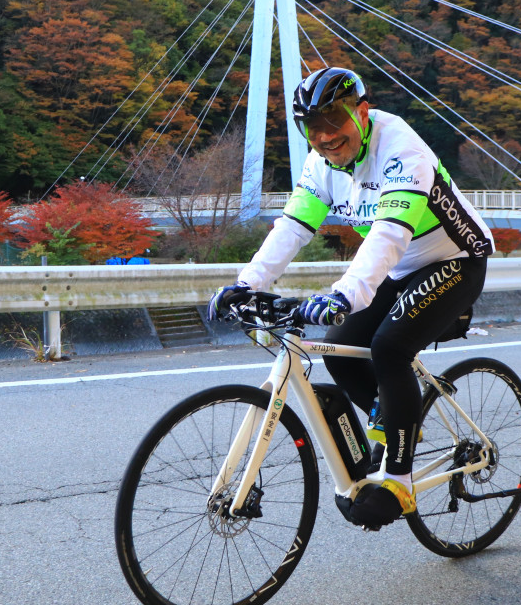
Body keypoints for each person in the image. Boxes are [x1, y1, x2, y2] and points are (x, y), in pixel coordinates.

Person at [207, 66, 494, 528]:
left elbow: (387, 235)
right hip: (397, 267)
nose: (324, 135)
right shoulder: (319, 162)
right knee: (341, 355)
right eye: (311, 127)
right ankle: (395, 420)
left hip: (453, 260)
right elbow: (294, 227)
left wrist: (344, 294)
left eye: (334, 120)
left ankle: (397, 481)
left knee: (389, 347)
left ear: (361, 112)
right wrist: (247, 284)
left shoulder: (401, 149)